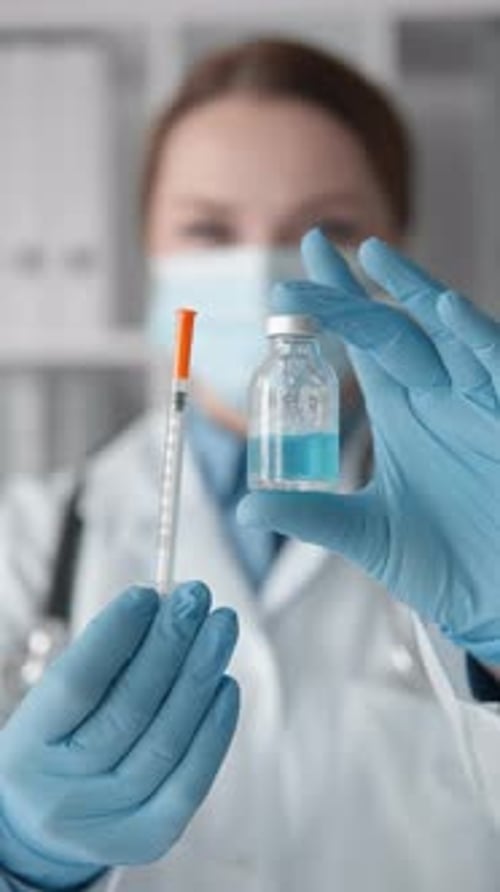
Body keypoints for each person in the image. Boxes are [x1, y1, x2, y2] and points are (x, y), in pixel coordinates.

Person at [1, 35, 500, 891]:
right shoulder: (28, 543)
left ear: (396, 241)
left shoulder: (483, 516)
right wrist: (21, 855)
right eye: (207, 229)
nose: (261, 269)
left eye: (329, 228)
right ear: (149, 252)